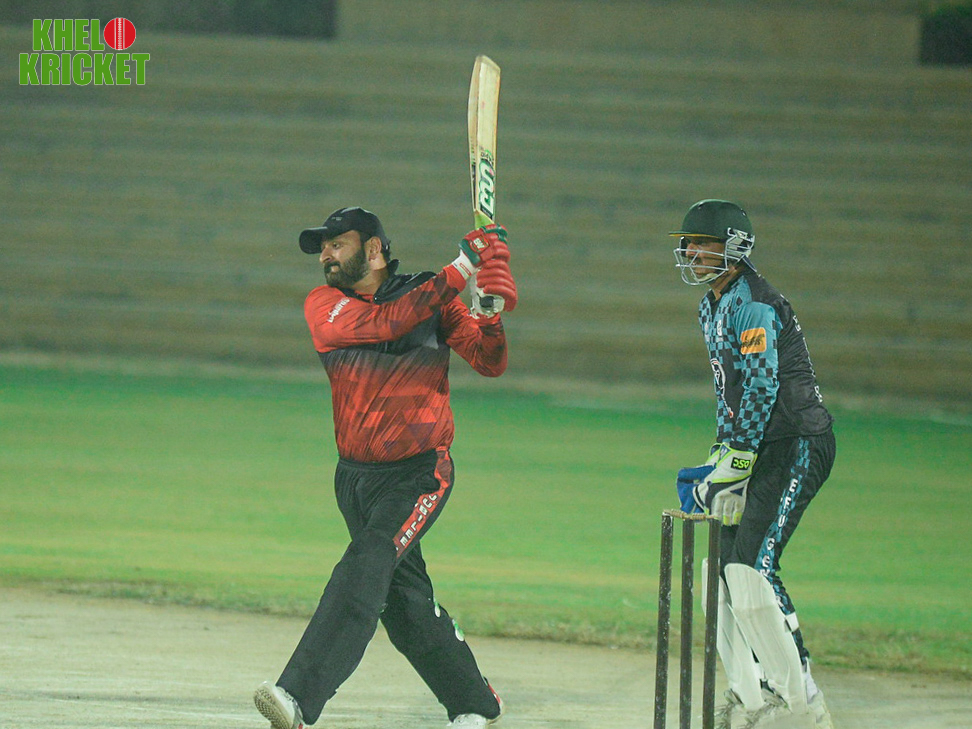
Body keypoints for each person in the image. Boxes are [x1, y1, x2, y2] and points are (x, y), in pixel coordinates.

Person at [254, 206, 517, 729]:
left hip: (419, 472)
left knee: (368, 560)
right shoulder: (326, 305)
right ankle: (476, 702)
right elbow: (387, 322)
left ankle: (297, 698)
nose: (326, 256)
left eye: (337, 244)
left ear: (374, 249)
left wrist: (488, 314)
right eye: (323, 248)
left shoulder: (431, 296)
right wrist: (463, 267)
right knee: (403, 602)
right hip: (354, 479)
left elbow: (490, 362)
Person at [670, 200, 836, 728]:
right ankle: (752, 697)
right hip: (757, 448)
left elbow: (763, 386)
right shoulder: (711, 306)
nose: (692, 252)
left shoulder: (757, 304)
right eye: (688, 244)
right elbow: (730, 394)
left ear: (735, 246)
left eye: (703, 243)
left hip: (795, 442)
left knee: (752, 570)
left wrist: (738, 460)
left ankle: (803, 704)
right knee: (718, 573)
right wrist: (721, 456)